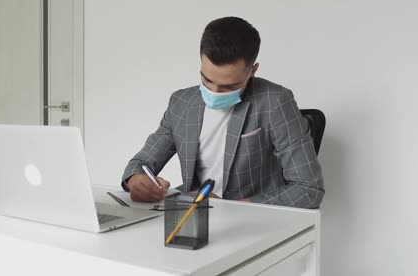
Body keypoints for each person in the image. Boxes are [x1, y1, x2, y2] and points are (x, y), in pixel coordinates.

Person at [121, 17, 324, 209]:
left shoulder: (275, 102)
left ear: (252, 71)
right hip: (193, 217)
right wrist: (135, 180)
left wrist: (234, 206)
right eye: (207, 80)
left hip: (252, 221)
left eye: (229, 86)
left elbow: (308, 189)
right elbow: (141, 163)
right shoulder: (181, 102)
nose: (214, 92)